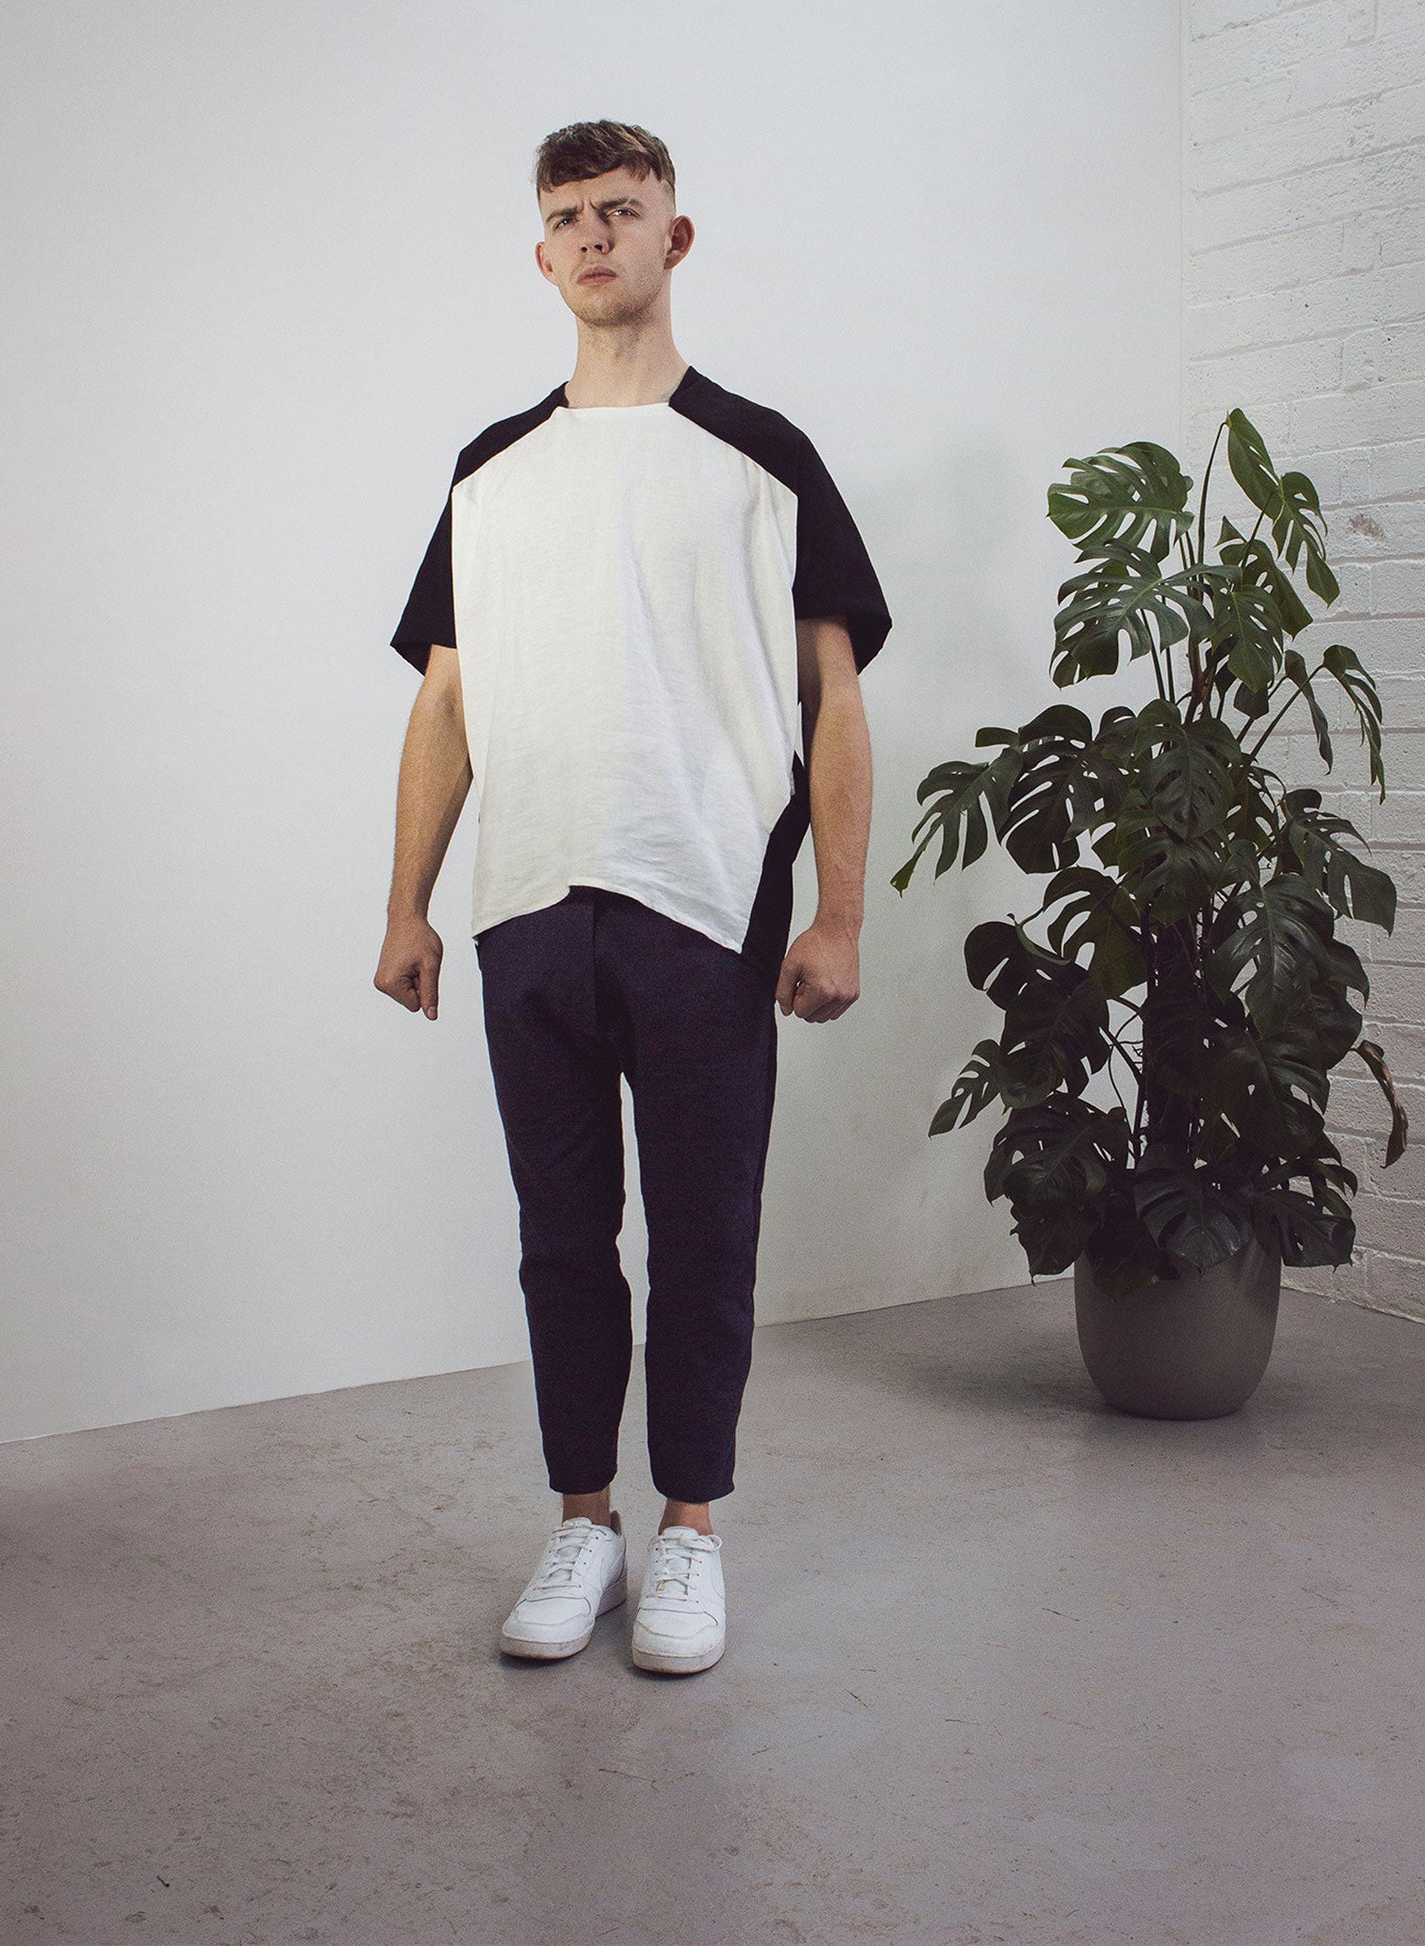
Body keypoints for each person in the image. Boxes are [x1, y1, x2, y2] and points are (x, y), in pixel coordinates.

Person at [373, 120, 892, 1676]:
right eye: (567, 218)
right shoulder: (489, 469)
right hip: (527, 897)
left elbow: (836, 701)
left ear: (677, 237)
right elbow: (444, 705)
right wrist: (405, 901)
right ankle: (581, 1519)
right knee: (556, 1235)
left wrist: (838, 915)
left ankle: (688, 1535)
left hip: (701, 897)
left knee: (704, 1234)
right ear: (540, 258)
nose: (595, 235)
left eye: (623, 209)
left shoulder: (762, 455)